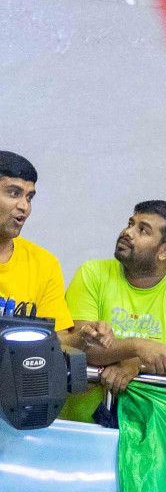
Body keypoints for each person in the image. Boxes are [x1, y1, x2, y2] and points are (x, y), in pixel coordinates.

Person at [64, 200, 166, 420]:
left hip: (157, 429)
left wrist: (139, 364)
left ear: (165, 251)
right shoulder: (92, 273)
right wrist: (137, 347)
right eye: (130, 223)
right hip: (85, 424)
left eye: (142, 230)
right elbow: (82, 347)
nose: (127, 232)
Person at [0, 151, 109, 353]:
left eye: (29, 197)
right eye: (14, 193)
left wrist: (85, 337)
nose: (24, 206)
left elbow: (56, 340)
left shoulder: (44, 264)